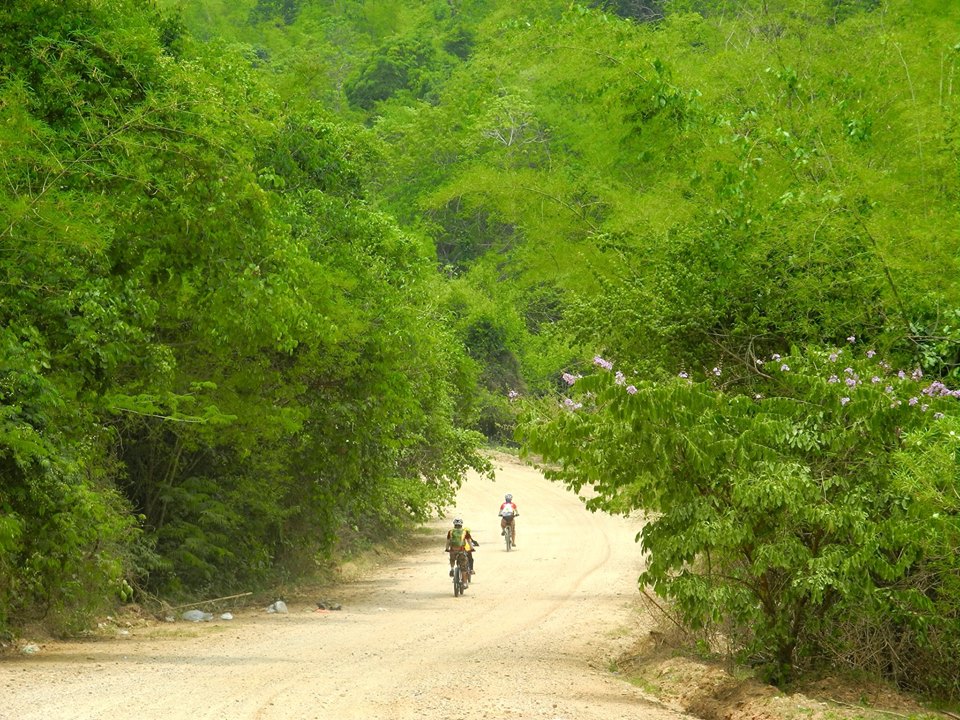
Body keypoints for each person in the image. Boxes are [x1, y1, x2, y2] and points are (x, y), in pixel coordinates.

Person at [445, 517, 478, 583]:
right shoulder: (465, 532)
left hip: (453, 550)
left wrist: (447, 548)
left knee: (452, 559)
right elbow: (469, 541)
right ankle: (464, 583)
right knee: (464, 567)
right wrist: (472, 548)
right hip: (461, 550)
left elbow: (448, 541)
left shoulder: (450, 532)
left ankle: (452, 568)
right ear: (461, 524)